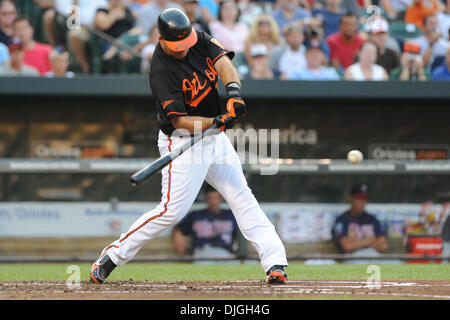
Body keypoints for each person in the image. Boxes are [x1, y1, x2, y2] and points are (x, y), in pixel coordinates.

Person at [90, 8, 288, 285]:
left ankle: (275, 263)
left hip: (213, 138)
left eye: (187, 43)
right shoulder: (160, 69)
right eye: (178, 46)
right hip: (183, 141)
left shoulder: (199, 39)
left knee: (241, 195)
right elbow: (182, 121)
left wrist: (233, 93)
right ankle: (111, 256)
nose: (184, 50)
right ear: (162, 40)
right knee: (171, 211)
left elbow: (224, 64)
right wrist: (216, 120)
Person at [172, 186, 238, 259]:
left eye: (216, 198)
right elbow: (178, 230)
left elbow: (240, 235)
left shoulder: (230, 215)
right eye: (210, 198)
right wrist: (181, 248)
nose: (213, 201)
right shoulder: (196, 215)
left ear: (220, 198)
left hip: (224, 252)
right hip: (202, 252)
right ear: (206, 199)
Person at [332, 183, 388, 262]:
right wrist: (370, 240)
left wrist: (356, 242)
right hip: (353, 258)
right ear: (351, 198)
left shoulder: (372, 219)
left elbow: (383, 246)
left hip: (374, 256)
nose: (363, 202)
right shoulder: (342, 220)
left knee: (398, 265)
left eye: (365, 199)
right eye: (360, 198)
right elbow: (347, 246)